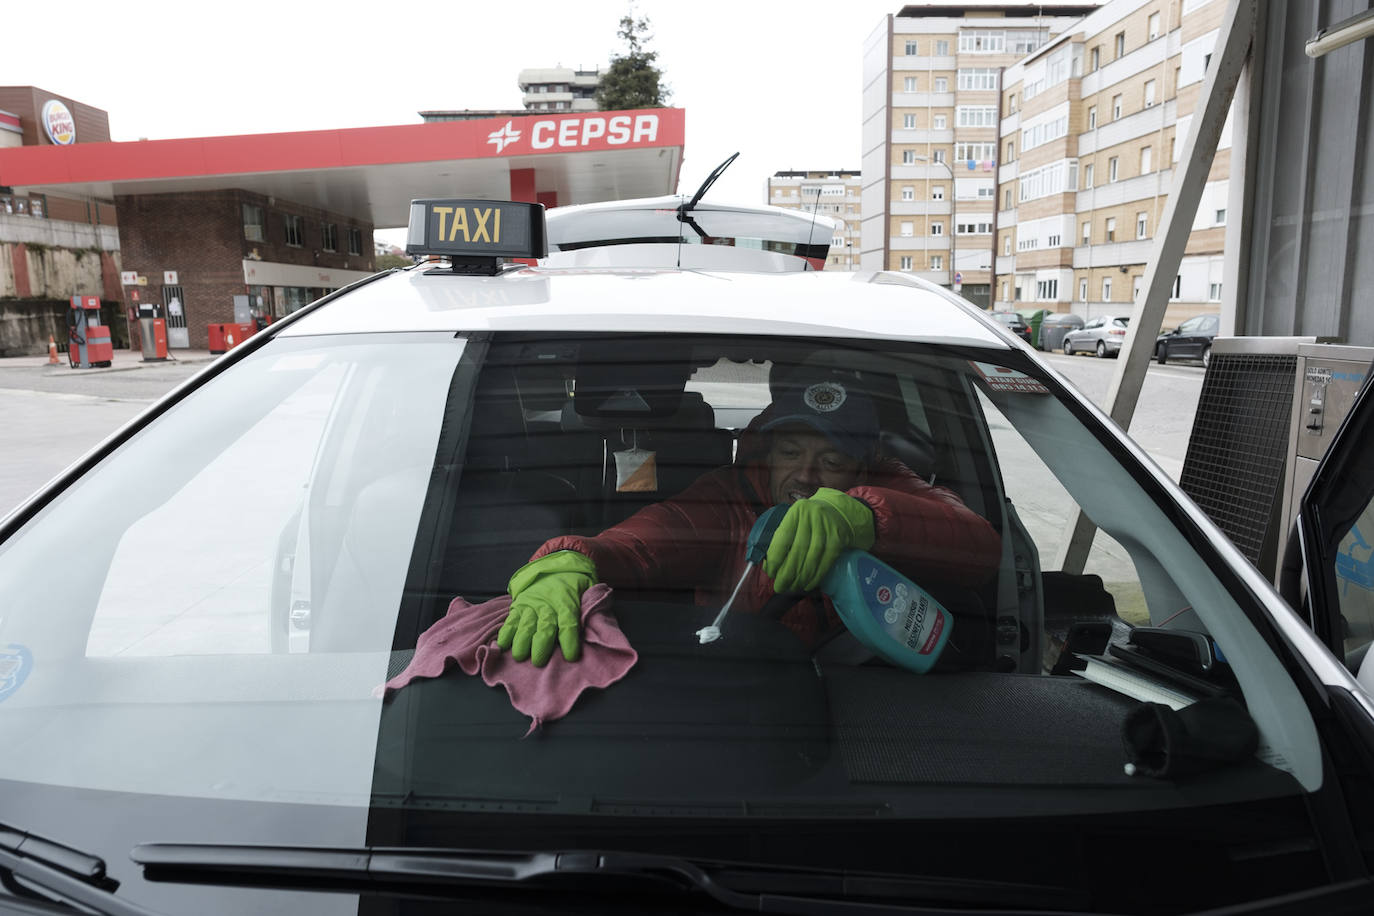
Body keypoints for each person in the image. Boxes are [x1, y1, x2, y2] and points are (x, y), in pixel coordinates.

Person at [496, 370, 1003, 666]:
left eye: (830, 461)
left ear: (863, 464)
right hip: (748, 701)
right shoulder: (729, 496)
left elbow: (979, 546)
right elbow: (644, 541)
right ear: (767, 451)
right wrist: (567, 562)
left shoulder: (884, 487)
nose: (805, 475)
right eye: (790, 452)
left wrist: (865, 518)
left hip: (875, 710)